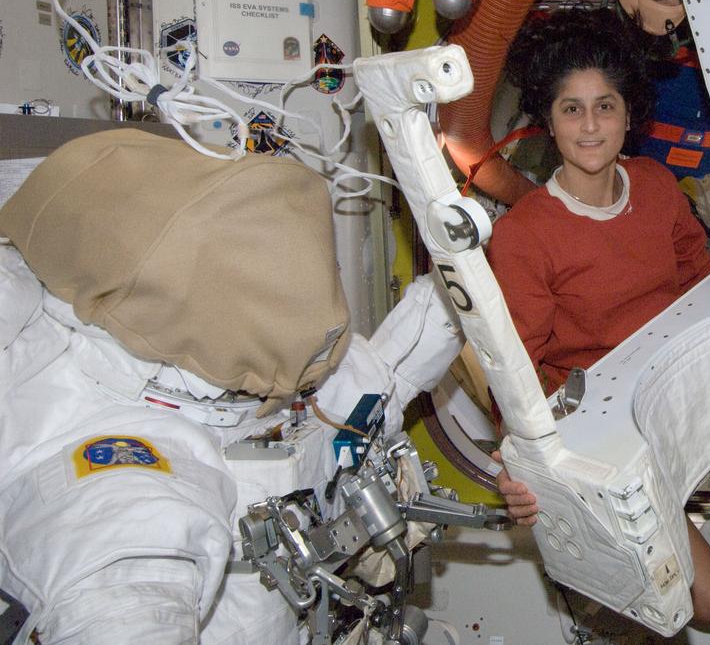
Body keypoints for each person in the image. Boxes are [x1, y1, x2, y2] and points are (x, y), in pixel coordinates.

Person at [0, 129, 463, 643]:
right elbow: (124, 599)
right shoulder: (124, 485)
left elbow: (382, 383)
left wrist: (463, 288)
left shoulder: (265, 376)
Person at [484, 8, 710, 625]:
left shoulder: (655, 184)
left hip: (677, 395)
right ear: (548, 121)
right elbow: (516, 372)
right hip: (602, 437)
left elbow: (698, 283)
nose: (591, 125)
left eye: (606, 105)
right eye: (571, 108)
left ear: (630, 115)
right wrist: (516, 471)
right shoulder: (525, 235)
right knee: (708, 605)